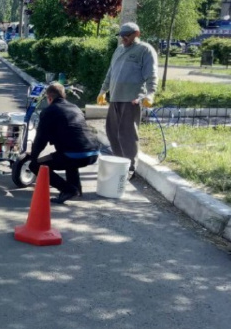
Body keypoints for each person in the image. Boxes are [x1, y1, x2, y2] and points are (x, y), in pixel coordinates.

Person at [97, 22, 158, 176]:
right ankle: (119, 163)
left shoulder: (144, 50)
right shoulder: (118, 50)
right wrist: (103, 91)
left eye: (127, 35)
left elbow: (151, 74)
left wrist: (150, 94)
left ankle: (130, 167)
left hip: (132, 99)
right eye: (121, 35)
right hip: (115, 97)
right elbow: (111, 72)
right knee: (112, 132)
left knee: (127, 134)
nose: (123, 38)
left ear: (136, 34)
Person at [29, 83, 100, 204]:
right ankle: (77, 189)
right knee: (69, 157)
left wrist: (33, 157)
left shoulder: (49, 111)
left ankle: (68, 189)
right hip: (93, 152)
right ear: (63, 96)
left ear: (49, 98)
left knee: (35, 166)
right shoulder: (75, 107)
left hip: (74, 154)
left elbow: (41, 139)